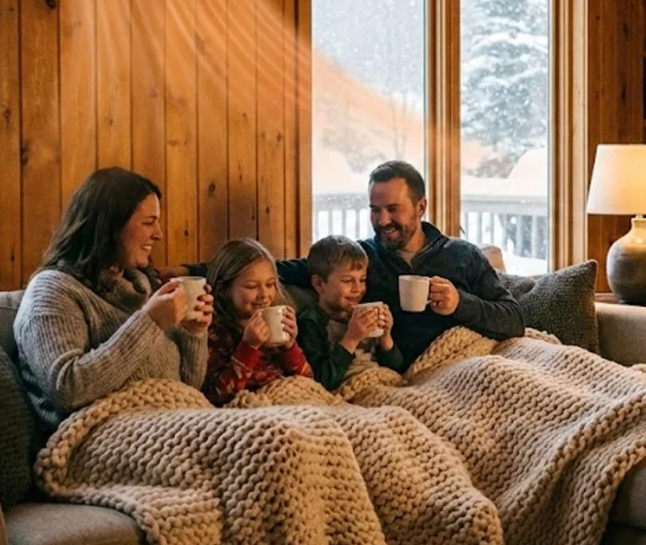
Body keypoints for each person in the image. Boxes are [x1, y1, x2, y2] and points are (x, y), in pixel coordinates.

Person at [165, 161, 524, 369]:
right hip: (419, 371)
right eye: (374, 209)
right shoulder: (362, 259)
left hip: (473, 355)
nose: (382, 220)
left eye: (392, 209)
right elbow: (272, 269)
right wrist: (191, 269)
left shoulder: (462, 255)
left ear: (421, 207)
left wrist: (460, 303)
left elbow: (514, 319)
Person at [14, 167, 214, 434]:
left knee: (282, 426)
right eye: (148, 222)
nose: (159, 234)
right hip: (92, 438)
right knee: (273, 441)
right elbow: (68, 388)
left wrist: (194, 333)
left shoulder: (144, 289)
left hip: (171, 427)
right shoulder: (53, 291)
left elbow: (185, 387)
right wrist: (150, 322)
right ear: (109, 226)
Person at [202, 238, 313, 406]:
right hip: (251, 408)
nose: (264, 294)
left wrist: (290, 346)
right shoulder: (214, 331)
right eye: (252, 286)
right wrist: (249, 346)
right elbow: (218, 395)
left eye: (270, 284)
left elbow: (309, 383)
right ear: (224, 290)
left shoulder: (276, 322)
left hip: (289, 401)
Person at [297, 235, 402, 391]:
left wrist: (386, 337)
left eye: (362, 280)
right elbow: (322, 379)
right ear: (319, 284)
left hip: (385, 382)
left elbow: (397, 367)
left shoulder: (365, 311)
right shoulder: (311, 322)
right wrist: (351, 339)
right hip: (351, 390)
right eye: (347, 281)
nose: (357, 289)